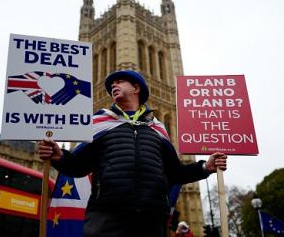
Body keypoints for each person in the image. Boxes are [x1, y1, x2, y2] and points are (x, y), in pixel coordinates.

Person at [38, 70, 227, 237]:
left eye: (119, 81)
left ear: (136, 88)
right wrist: (59, 157)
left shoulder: (157, 129)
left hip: (151, 217)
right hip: (108, 215)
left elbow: (175, 173)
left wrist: (205, 167)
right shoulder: (100, 122)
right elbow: (79, 166)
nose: (114, 85)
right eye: (112, 84)